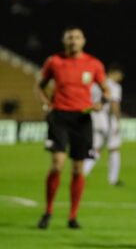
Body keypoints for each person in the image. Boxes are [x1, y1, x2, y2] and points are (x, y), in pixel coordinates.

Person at [35, 26, 109, 229]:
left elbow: (105, 91)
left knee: (78, 169)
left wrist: (100, 103)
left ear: (83, 40)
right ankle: (48, 211)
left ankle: (72, 216)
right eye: (70, 37)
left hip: (82, 118)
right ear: (64, 40)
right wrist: (45, 104)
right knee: (57, 164)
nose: (73, 41)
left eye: (77, 37)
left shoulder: (93, 64)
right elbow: (39, 85)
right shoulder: (54, 61)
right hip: (59, 116)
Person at [83, 64, 124, 185]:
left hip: (94, 118)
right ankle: (113, 179)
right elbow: (114, 104)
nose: (120, 78)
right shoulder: (113, 86)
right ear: (115, 73)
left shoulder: (96, 84)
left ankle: (82, 174)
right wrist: (117, 121)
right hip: (107, 120)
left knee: (96, 149)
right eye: (120, 75)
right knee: (114, 149)